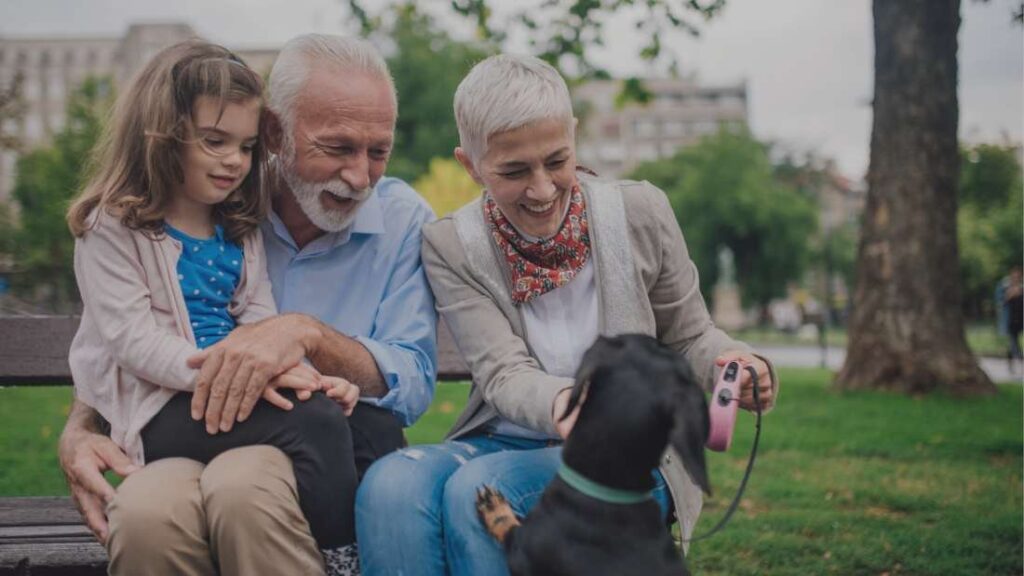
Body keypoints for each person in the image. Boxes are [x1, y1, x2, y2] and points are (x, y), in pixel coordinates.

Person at [354, 54, 779, 576]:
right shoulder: (451, 245)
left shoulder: (641, 212)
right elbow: (504, 372)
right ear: (471, 165)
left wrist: (733, 365)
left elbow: (690, 335)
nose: (542, 189)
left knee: (477, 493)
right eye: (513, 171)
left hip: (625, 455)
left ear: (574, 136)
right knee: (391, 483)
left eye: (557, 160)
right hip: (502, 438)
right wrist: (572, 403)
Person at [58, 34, 437, 576]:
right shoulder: (220, 199)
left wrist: (305, 341)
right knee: (144, 515)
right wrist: (80, 428)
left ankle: (339, 562)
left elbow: (415, 379)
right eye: (337, 148)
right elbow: (118, 335)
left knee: (245, 491)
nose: (360, 177)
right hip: (184, 413)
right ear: (277, 132)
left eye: (378, 151)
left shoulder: (400, 219)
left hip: (306, 433)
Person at [1004, 267, 1023, 373]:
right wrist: (1010, 294)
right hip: (1012, 320)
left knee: (1014, 343)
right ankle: (1015, 362)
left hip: (1021, 320)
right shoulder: (1007, 288)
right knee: (1013, 342)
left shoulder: (1022, 288)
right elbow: (1003, 303)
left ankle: (1016, 361)